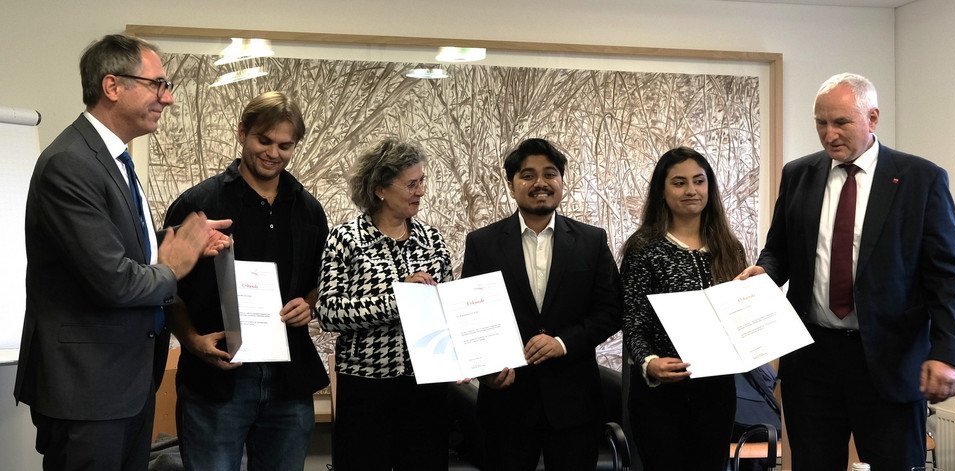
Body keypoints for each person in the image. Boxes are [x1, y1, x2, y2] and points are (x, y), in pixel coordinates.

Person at [13, 34, 230, 471]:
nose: (166, 98)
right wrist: (175, 264)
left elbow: (122, 247)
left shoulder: (112, 160)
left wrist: (181, 240)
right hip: (88, 390)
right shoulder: (70, 163)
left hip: (124, 384)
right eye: (157, 84)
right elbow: (113, 279)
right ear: (112, 87)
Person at [737, 73, 955, 471]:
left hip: (888, 361)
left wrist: (947, 352)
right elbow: (780, 250)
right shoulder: (799, 175)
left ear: (872, 118)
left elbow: (947, 279)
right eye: (820, 123)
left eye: (840, 122)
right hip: (812, 361)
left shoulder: (920, 179)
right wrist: (765, 270)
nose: (829, 135)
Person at [163, 91, 329, 470]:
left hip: (290, 381)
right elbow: (164, 285)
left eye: (285, 145)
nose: (274, 153)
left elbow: (323, 279)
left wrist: (310, 303)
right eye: (264, 140)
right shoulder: (198, 204)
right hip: (217, 380)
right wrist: (192, 341)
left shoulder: (308, 209)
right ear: (242, 133)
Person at [461, 137, 622, 471]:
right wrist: (486, 371)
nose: (540, 183)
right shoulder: (483, 243)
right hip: (506, 400)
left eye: (550, 174)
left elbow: (611, 311)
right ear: (511, 184)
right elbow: (470, 319)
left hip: (575, 403)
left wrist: (562, 343)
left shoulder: (591, 241)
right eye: (527, 175)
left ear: (561, 182)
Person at [313, 138, 452, 471]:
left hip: (426, 386)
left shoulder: (431, 239)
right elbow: (329, 311)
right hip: (366, 390)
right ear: (380, 189)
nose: (421, 191)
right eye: (411, 184)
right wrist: (399, 297)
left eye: (422, 182)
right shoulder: (345, 238)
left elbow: (449, 308)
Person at [620, 146, 748, 471]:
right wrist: (649, 363)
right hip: (661, 395)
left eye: (699, 181)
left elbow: (740, 317)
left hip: (716, 393)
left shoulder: (730, 249)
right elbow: (634, 320)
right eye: (679, 182)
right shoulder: (643, 248)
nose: (691, 190)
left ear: (709, 187)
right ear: (662, 192)